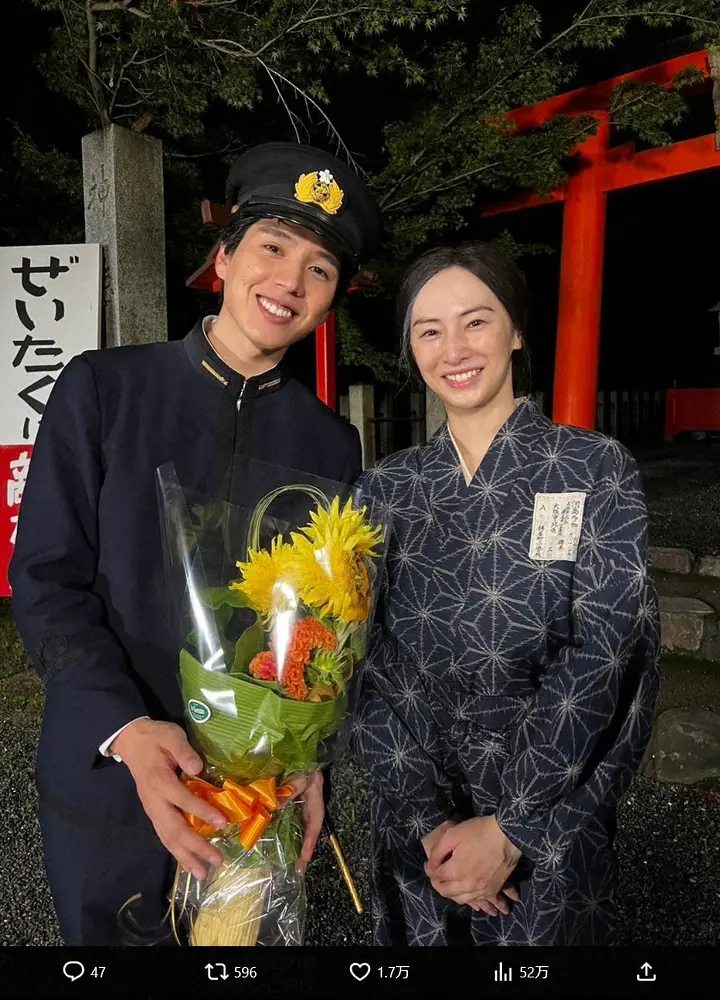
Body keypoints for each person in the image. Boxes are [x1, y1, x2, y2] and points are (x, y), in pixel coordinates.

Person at [10, 142, 381, 946]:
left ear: (332, 300)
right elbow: (44, 580)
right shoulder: (104, 387)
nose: (288, 281)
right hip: (112, 776)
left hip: (255, 798)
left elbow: (319, 627)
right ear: (223, 258)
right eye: (273, 247)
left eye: (320, 269)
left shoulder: (330, 447)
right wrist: (129, 731)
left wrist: (309, 757)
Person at [354, 242, 660, 946]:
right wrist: (430, 823)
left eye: (476, 322)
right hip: (420, 813)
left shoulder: (593, 467)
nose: (453, 349)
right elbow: (368, 667)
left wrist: (508, 828)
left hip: (548, 810)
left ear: (516, 330)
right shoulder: (385, 489)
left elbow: (607, 658)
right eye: (428, 331)